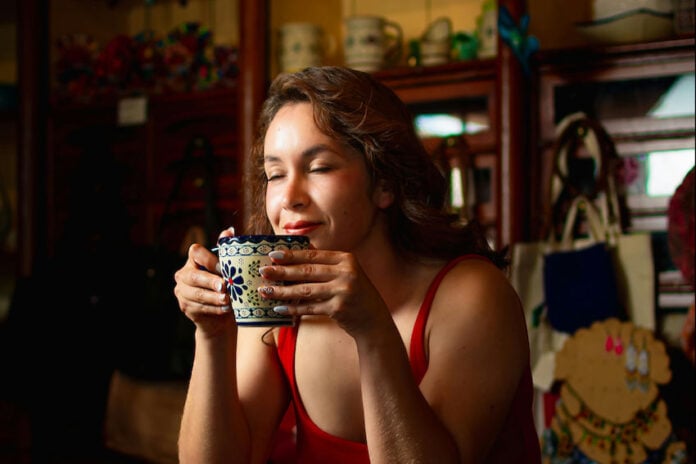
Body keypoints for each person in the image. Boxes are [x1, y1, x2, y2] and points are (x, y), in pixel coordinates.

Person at [174, 66, 541, 463]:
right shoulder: (277, 296)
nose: (289, 198)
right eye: (274, 175)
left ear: (384, 183)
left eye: (318, 168)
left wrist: (372, 331)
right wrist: (211, 336)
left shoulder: (472, 295)